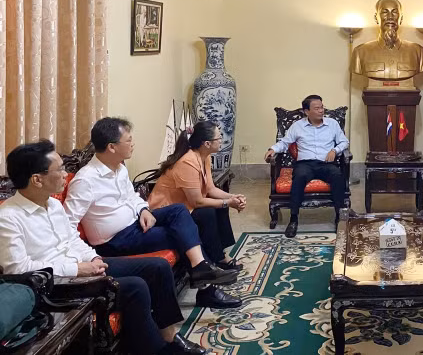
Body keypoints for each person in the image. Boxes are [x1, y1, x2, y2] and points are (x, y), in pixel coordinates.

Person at [0, 140, 207, 355]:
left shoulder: (52, 204)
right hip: (55, 285)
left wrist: (92, 258)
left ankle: (168, 336)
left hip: (81, 267)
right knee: (135, 287)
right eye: (59, 169)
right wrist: (77, 269)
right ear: (37, 179)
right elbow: (19, 270)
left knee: (157, 267)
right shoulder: (9, 217)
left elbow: (71, 238)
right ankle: (155, 350)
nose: (65, 174)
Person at [64, 117, 239, 309]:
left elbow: (131, 196)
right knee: (180, 234)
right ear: (112, 147)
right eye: (129, 140)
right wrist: (87, 257)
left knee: (180, 211)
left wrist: (143, 209)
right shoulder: (85, 181)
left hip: (136, 224)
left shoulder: (119, 169)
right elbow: (67, 225)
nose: (133, 144)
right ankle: (206, 285)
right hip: (115, 241)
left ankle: (200, 267)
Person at [149, 120, 245, 273]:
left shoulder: (204, 156)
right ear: (207, 143)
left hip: (185, 207)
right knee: (208, 212)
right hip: (165, 213)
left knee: (220, 205)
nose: (221, 141)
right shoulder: (187, 162)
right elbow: (197, 201)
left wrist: (233, 197)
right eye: (218, 138)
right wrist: (228, 202)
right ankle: (212, 262)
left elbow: (211, 189)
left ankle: (220, 257)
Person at [264, 94, 349, 238]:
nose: (321, 110)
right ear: (306, 111)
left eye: (322, 107)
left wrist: (335, 150)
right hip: (305, 164)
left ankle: (339, 217)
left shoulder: (332, 124)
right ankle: (294, 219)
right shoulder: (297, 126)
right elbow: (285, 142)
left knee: (337, 175)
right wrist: (273, 149)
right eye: (317, 108)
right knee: (299, 177)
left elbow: (344, 142)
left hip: (326, 163)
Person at [351, 0, 423, 88]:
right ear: (376, 18)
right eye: (384, 12)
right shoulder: (360, 52)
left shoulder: (417, 52)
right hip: (374, 98)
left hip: (407, 98)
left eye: (394, 12)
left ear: (401, 18)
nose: (390, 17)